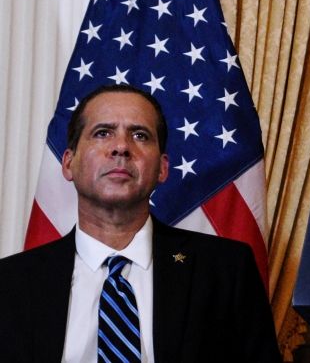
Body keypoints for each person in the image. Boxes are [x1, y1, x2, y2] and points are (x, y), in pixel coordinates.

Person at [0, 84, 281, 363]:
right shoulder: (10, 284)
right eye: (102, 133)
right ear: (68, 163)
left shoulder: (226, 270)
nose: (121, 147)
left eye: (139, 135)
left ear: (162, 168)